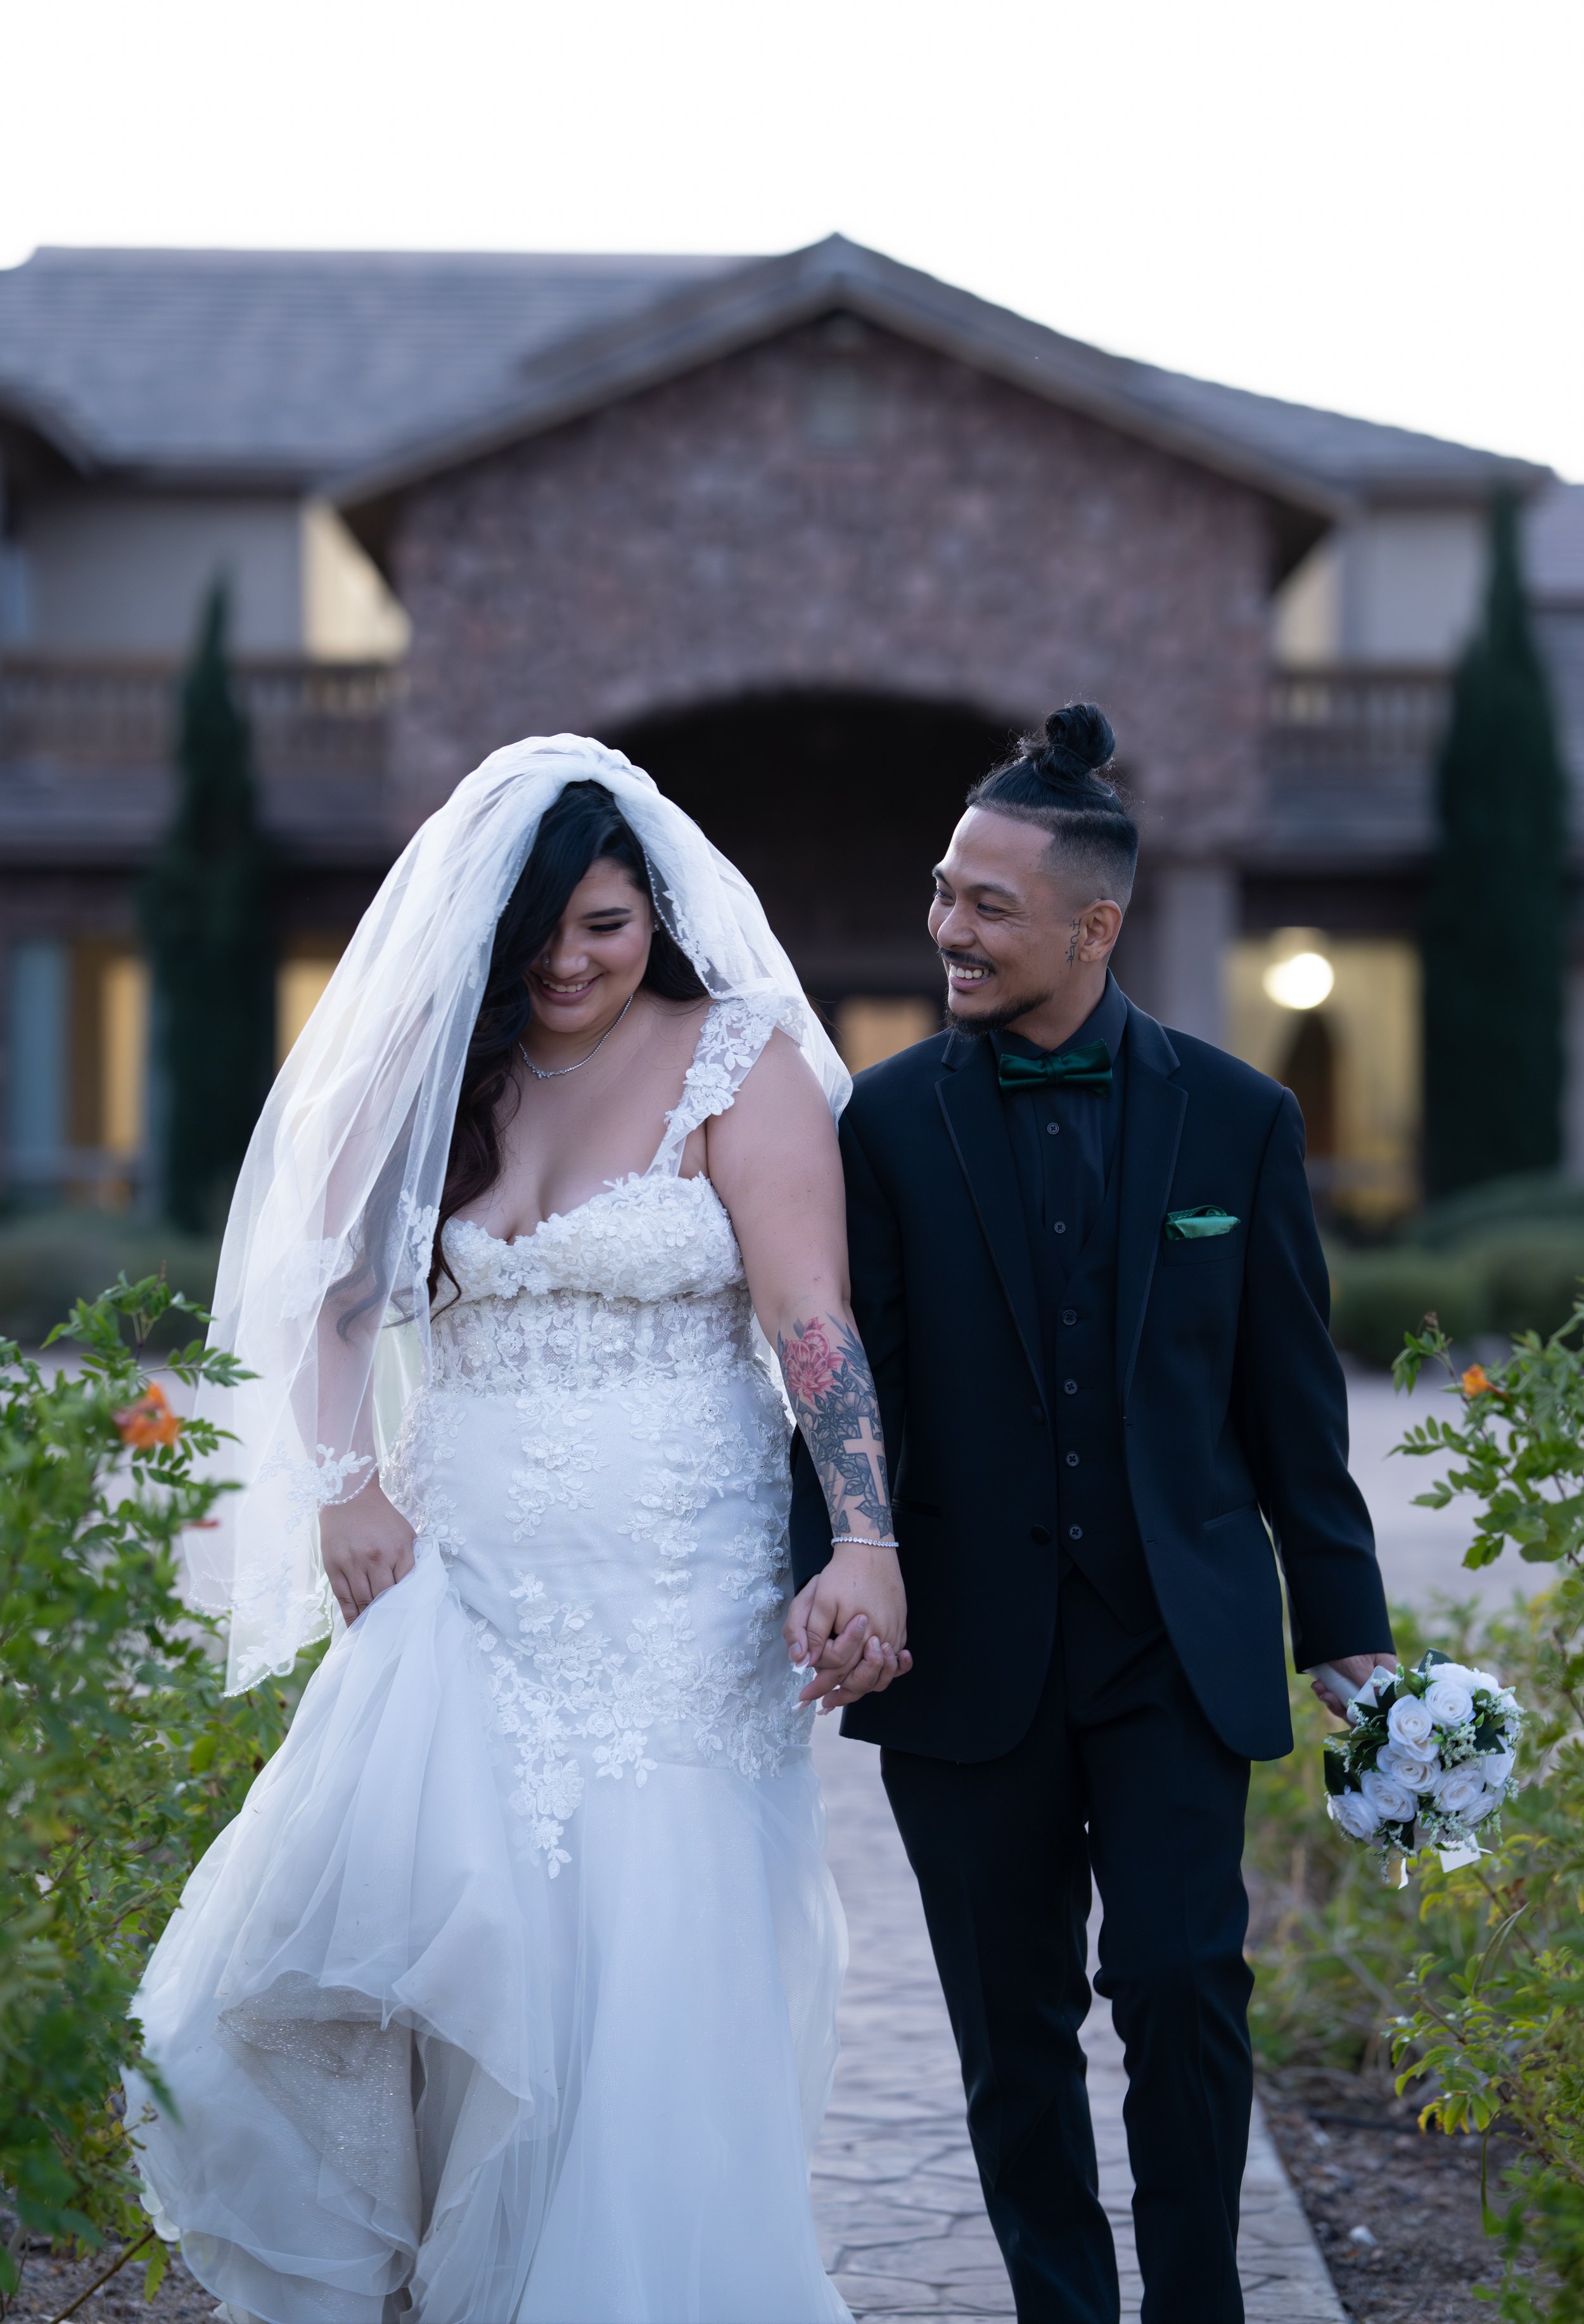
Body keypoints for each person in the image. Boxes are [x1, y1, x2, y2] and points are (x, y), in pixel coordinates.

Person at [126, 735, 910, 2324]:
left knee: (648, 1936)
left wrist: (864, 1539)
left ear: (655, 915)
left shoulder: (738, 1058)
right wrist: (344, 1482)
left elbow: (810, 1320)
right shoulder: (439, 1066)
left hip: (676, 1594)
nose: (567, 964)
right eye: (537, 934)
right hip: (459, 1574)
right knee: (430, 1935)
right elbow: (325, 1292)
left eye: (603, 927)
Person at [789, 703, 1395, 2324]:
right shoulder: (885, 1121)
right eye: (942, 891)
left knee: (1184, 1986)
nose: (948, 927)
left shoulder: (1238, 1120)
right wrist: (839, 1569)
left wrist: (1345, 1631)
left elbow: (1291, 1409)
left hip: (1170, 1645)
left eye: (988, 904)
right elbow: (847, 1381)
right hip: (964, 1656)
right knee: (1011, 2027)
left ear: (1094, 926)